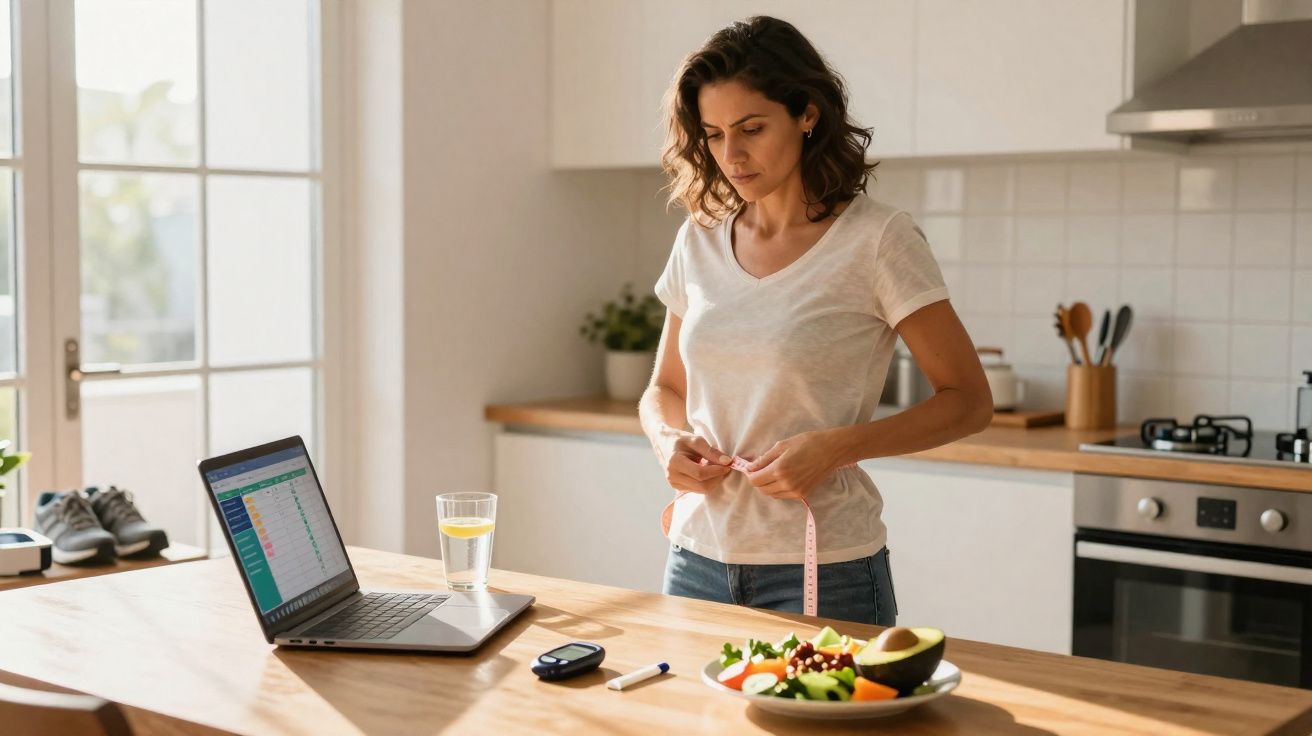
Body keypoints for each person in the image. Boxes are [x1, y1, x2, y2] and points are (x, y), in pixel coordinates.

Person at [639, 16, 992, 626]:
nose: (732, 155)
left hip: (828, 567)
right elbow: (665, 389)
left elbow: (968, 400)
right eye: (715, 134)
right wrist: (668, 441)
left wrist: (834, 449)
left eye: (752, 128)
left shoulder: (877, 240)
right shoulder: (697, 239)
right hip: (697, 557)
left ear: (807, 114)